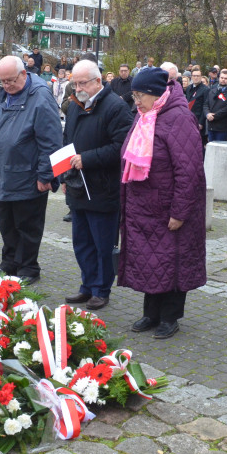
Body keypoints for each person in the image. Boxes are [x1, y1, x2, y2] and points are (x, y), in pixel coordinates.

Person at [118, 67, 206, 339]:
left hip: (168, 208)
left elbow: (189, 171)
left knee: (172, 262)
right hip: (143, 207)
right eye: (134, 95)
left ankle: (170, 317)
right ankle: (150, 313)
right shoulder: (145, 115)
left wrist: (180, 211)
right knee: (150, 262)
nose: (136, 101)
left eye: (140, 95)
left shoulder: (179, 118)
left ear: (156, 94)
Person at [60, 60, 135, 310]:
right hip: (78, 186)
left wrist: (88, 159)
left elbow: (121, 148)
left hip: (103, 188)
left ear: (98, 82)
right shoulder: (74, 105)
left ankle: (102, 289)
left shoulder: (116, 107)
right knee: (81, 242)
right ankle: (87, 285)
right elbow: (67, 140)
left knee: (102, 244)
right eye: (75, 83)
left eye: (83, 83)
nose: (78, 88)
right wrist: (63, 175)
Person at [0, 56, 63, 283]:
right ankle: (9, 263)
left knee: (27, 225)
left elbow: (51, 140)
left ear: (24, 74)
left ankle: (28, 267)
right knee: (6, 222)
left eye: (11, 81)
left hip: (29, 174)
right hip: (5, 173)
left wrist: (46, 174)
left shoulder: (40, 97)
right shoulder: (3, 93)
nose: (6, 86)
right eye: (2, 81)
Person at [205, 69, 227, 141]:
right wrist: (207, 114)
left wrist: (214, 116)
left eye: (226, 78)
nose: (223, 80)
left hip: (223, 127)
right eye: (222, 78)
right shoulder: (212, 90)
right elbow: (206, 104)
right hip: (211, 125)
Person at [185, 68, 210, 147]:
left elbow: (205, 106)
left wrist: (201, 122)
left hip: (199, 118)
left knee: (198, 144)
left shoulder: (205, 89)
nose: (196, 77)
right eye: (194, 76)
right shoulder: (189, 88)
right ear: (191, 77)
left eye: (198, 76)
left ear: (201, 76)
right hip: (188, 118)